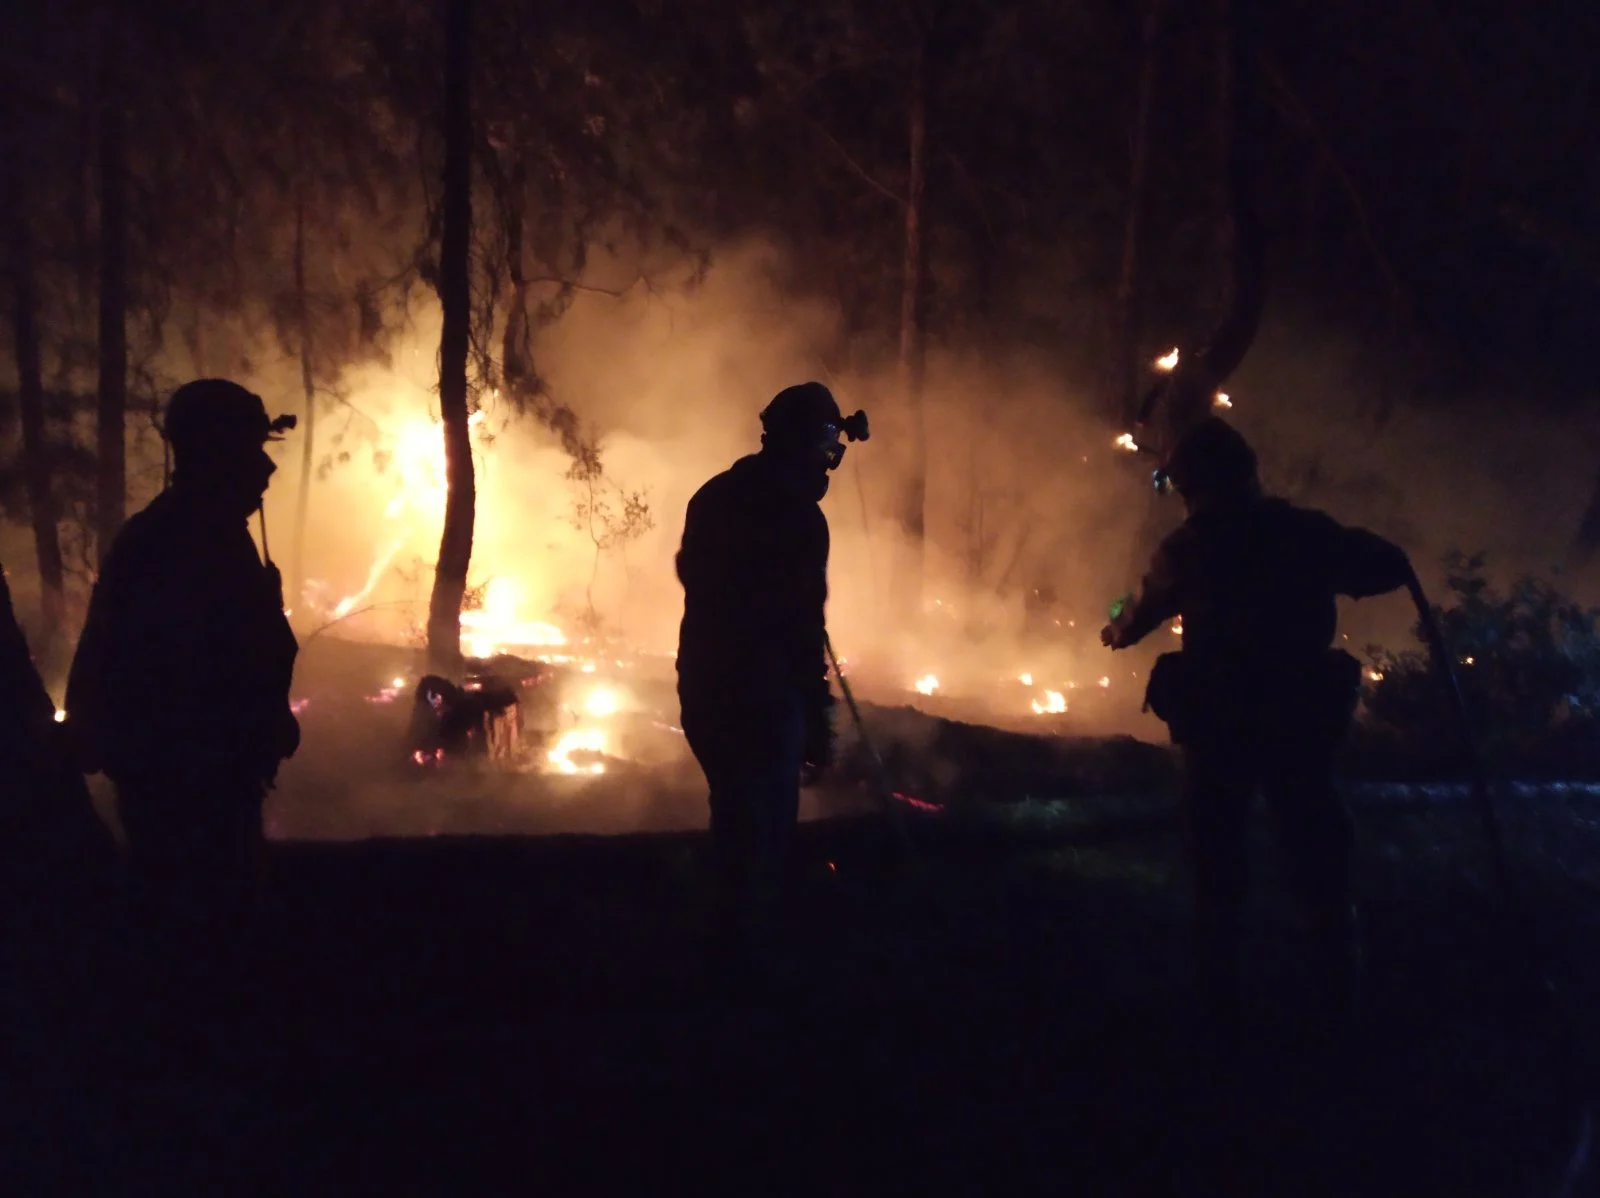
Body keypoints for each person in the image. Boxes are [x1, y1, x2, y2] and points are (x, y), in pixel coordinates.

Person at [1101, 417, 1412, 1029]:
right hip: (1297, 712)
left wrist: (1117, 630)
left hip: (1224, 717)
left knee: (1217, 849)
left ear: (1197, 483)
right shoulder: (1306, 533)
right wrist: (1381, 555)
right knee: (1313, 837)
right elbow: (1379, 569)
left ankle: (1219, 998)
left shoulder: (1191, 546)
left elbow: (1141, 611)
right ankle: (1337, 985)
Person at [66, 379, 300, 1021]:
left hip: (205, 782)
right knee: (197, 941)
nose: (267, 465)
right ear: (212, 455)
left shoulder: (204, 536)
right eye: (250, 450)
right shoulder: (177, 545)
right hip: (188, 790)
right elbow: (180, 677)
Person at [675, 382, 868, 969]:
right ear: (802, 446)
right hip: (759, 697)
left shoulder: (714, 496)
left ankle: (725, 941)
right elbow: (802, 632)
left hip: (705, 686)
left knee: (733, 814)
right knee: (763, 828)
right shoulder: (802, 522)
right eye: (825, 447)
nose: (828, 462)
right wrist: (816, 721)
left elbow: (693, 575)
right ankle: (749, 957)